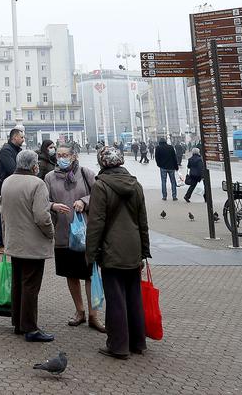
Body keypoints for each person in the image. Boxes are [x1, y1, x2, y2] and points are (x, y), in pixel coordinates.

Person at [84, 146, 150, 361]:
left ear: (102, 163)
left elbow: (96, 223)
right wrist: (144, 251)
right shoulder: (136, 184)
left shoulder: (100, 186)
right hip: (133, 247)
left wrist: (90, 254)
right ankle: (138, 342)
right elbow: (143, 221)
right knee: (134, 296)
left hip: (111, 248)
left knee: (116, 299)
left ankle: (118, 345)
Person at [43, 144, 102, 333]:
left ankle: (94, 315)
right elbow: (43, 201)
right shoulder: (50, 177)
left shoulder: (86, 173)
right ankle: (80, 311)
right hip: (63, 234)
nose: (61, 157)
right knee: (71, 274)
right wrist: (53, 206)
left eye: (65, 155)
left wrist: (84, 202)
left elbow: (100, 196)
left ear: (74, 156)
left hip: (85, 234)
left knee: (89, 275)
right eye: (59, 155)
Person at [0, 148, 55, 342]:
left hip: (14, 242)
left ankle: (18, 322)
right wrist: (51, 233)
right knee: (31, 286)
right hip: (33, 245)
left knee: (18, 283)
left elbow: (4, 214)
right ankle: (30, 328)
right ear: (33, 165)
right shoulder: (37, 184)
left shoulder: (7, 182)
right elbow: (41, 216)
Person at [0, 128, 24, 254]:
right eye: (21, 137)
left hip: (15, 185)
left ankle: (11, 241)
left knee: (12, 214)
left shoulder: (16, 150)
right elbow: (13, 169)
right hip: (8, 186)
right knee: (4, 214)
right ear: (14, 138)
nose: (23, 139)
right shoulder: (6, 151)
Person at [153, 137, 179, 201]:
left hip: (163, 167)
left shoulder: (158, 148)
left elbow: (156, 157)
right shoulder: (170, 147)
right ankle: (174, 196)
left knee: (163, 182)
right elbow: (174, 157)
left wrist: (159, 165)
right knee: (173, 182)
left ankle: (164, 196)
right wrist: (176, 166)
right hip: (171, 167)